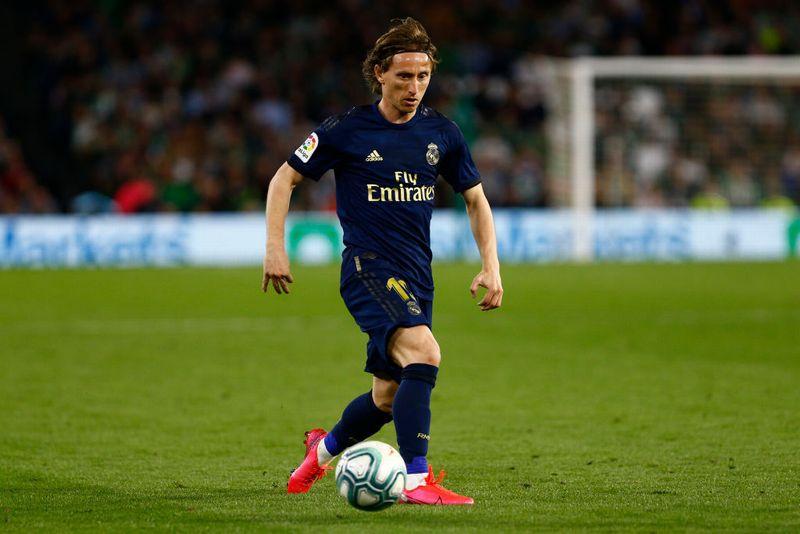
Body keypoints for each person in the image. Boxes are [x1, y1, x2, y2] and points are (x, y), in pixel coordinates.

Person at [261, 17, 502, 506]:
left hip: (417, 274)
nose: (414, 87)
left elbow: (476, 199)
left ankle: (317, 456)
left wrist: (491, 265)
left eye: (423, 76)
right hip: (367, 268)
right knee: (425, 354)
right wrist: (274, 248)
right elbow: (283, 179)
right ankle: (416, 480)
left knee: (388, 397)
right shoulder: (346, 129)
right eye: (404, 77)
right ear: (379, 74)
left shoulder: (442, 132)